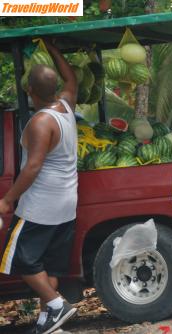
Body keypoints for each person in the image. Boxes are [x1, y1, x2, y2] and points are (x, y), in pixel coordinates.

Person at [0, 39, 78, 334]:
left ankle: (57, 305)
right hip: (67, 202)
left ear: (29, 91)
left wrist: (8, 199)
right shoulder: (66, 106)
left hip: (40, 206)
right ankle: (50, 322)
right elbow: (71, 78)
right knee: (46, 264)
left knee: (21, 259)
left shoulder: (40, 123)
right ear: (54, 88)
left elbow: (33, 166)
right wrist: (55, 48)